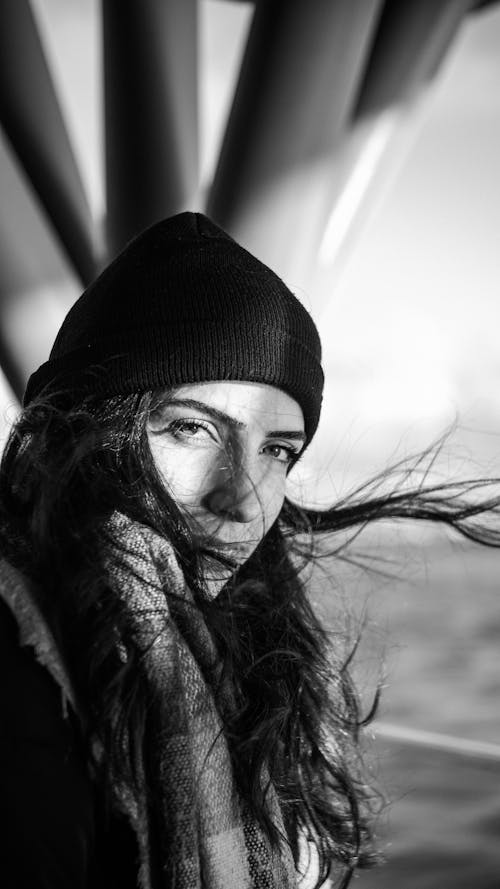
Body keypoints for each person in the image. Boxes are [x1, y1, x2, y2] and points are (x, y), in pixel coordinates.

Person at [0, 212, 497, 889]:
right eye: (192, 427)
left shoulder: (260, 665)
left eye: (277, 450)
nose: (242, 497)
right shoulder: (26, 686)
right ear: (86, 427)